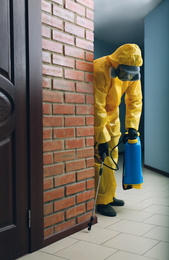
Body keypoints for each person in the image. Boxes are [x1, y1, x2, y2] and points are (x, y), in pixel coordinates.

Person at [94, 43, 143, 216]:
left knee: (113, 157)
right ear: (117, 66)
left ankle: (109, 195)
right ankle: (101, 200)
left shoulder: (132, 73)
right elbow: (97, 105)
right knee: (103, 157)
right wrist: (101, 138)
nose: (128, 77)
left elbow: (135, 100)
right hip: (98, 116)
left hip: (113, 116)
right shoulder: (100, 68)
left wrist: (132, 126)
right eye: (125, 72)